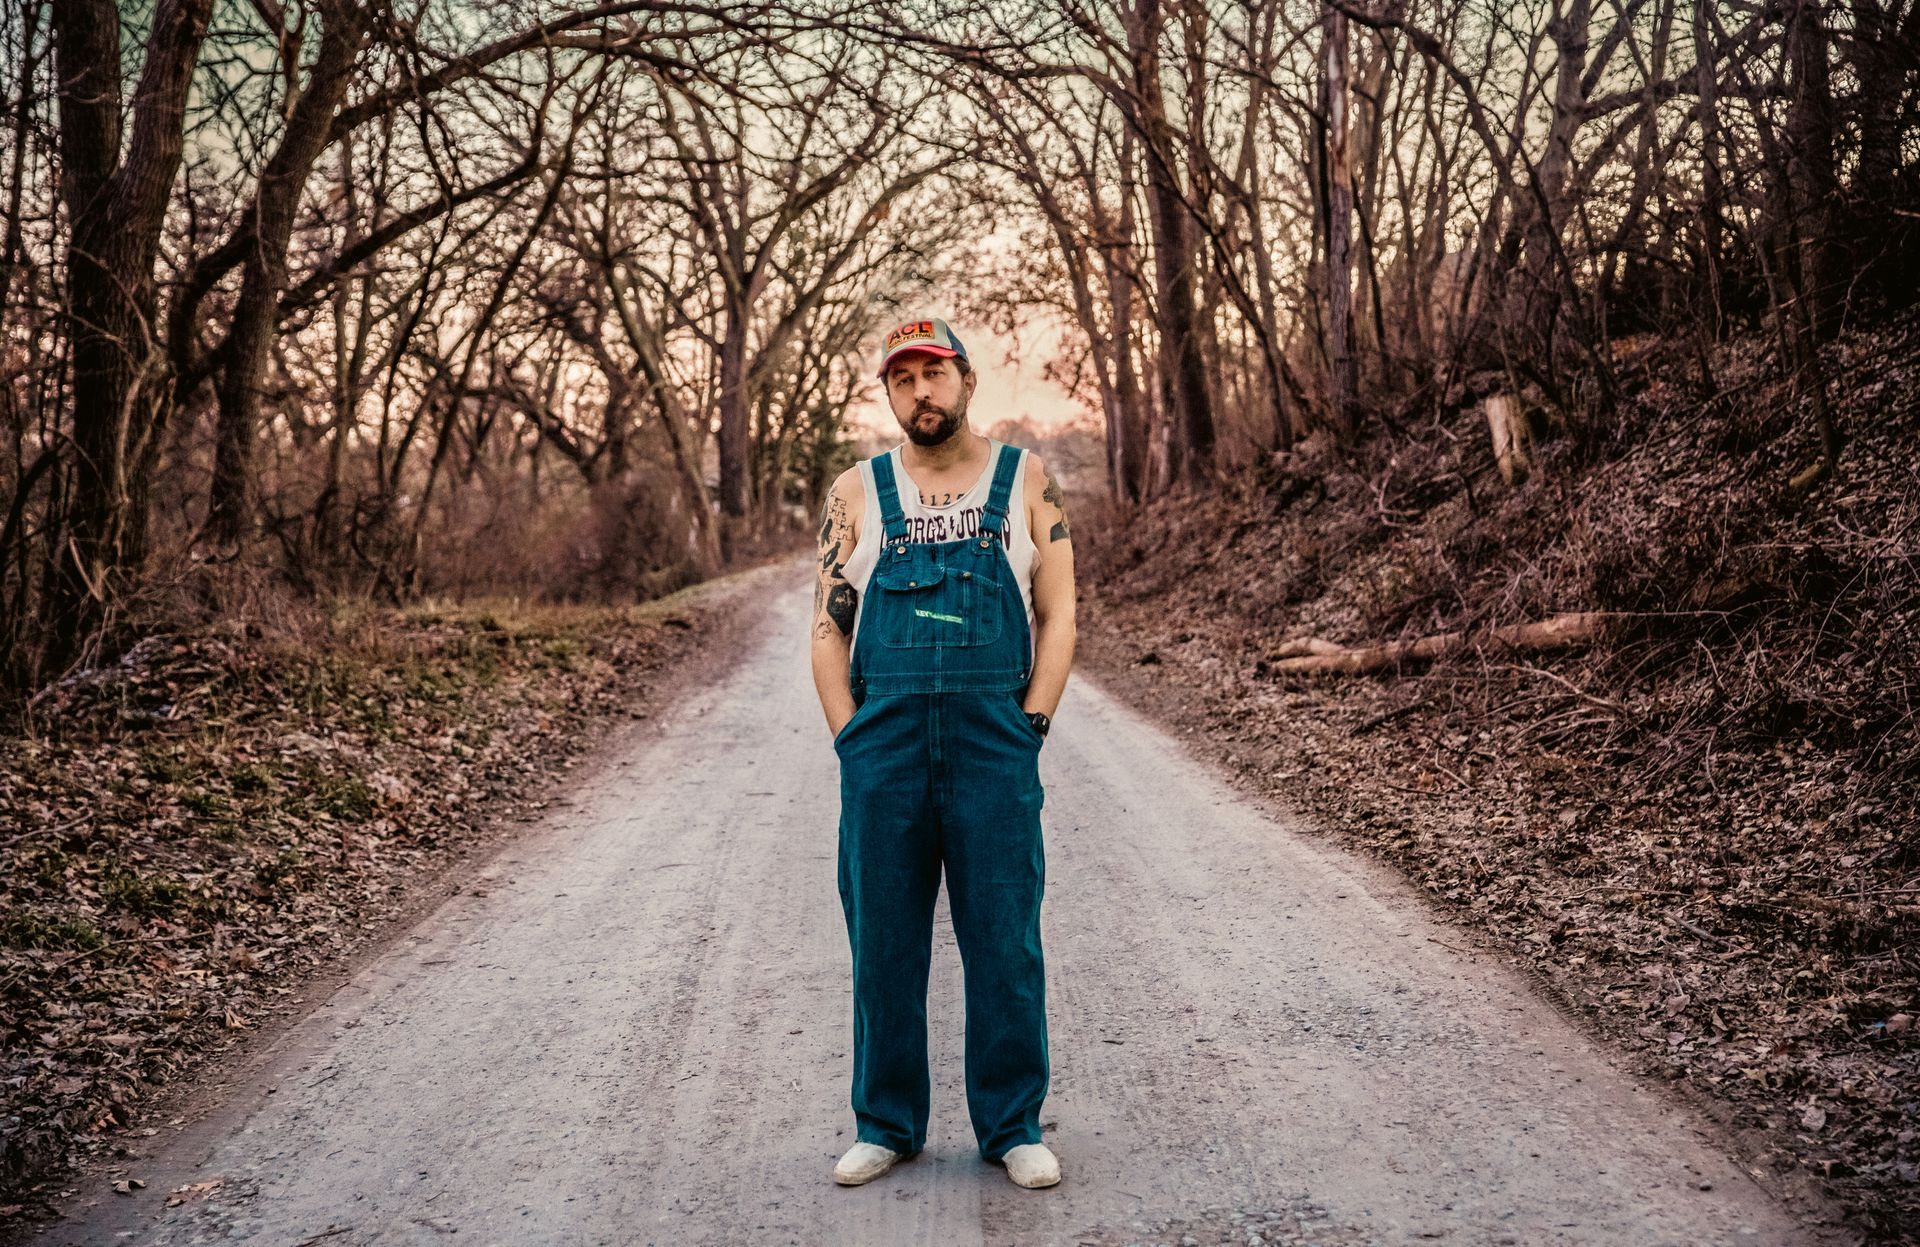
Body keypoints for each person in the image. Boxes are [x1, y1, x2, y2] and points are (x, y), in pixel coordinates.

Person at [809, 316, 1076, 1190]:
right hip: (882, 746)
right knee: (883, 939)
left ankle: (1012, 1126)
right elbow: (826, 626)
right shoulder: (856, 491)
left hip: (993, 741)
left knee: (1004, 937)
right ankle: (886, 1122)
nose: (920, 391)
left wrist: (1029, 724)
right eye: (903, 378)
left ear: (965, 379)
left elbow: (1059, 612)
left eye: (934, 372)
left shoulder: (1024, 478)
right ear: (889, 394)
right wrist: (851, 737)